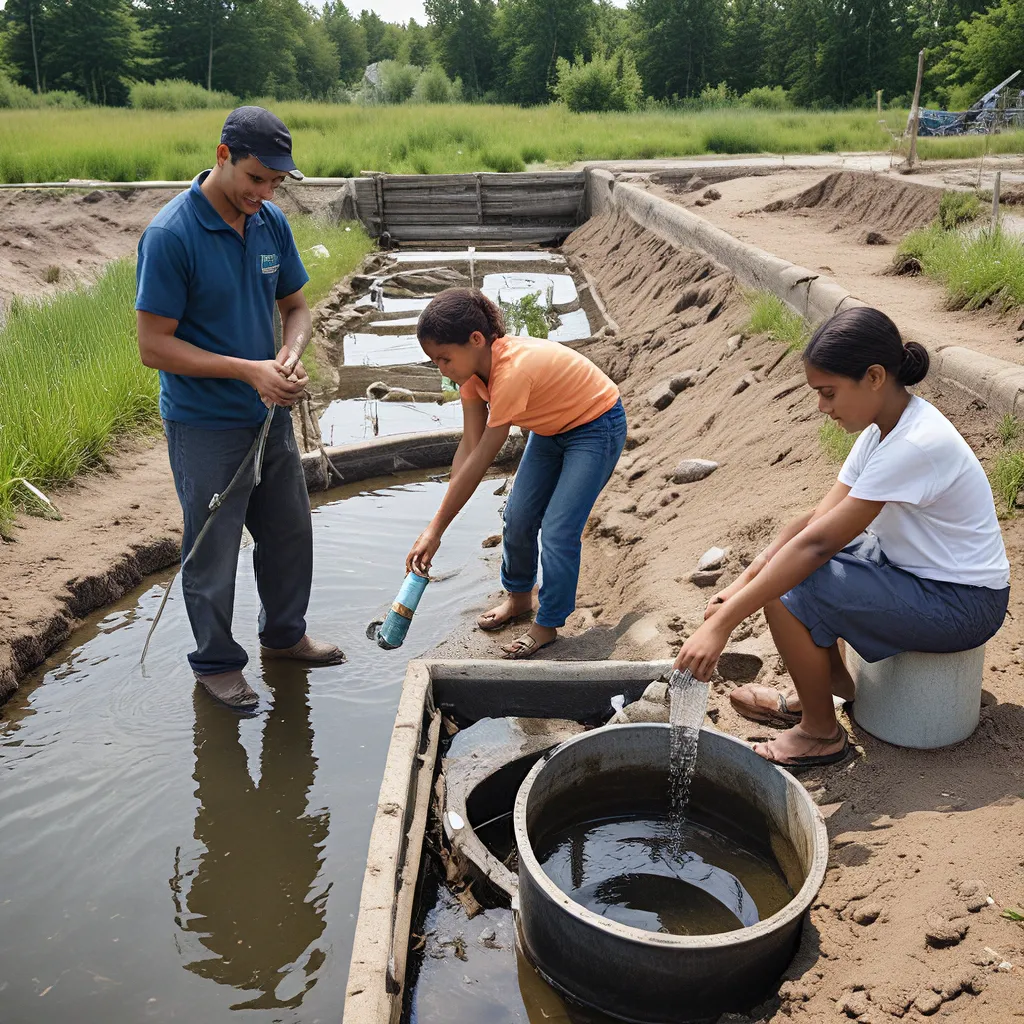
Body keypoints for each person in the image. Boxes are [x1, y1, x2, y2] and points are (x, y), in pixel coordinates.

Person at [673, 307, 1009, 767]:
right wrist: (739, 585)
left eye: (829, 393)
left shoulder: (913, 443)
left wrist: (723, 623)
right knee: (793, 565)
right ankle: (833, 685)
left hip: (962, 602)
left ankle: (819, 733)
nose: (822, 407)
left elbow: (817, 547)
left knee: (798, 579)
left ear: (873, 377)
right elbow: (814, 521)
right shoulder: (883, 431)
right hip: (916, 570)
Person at [136, 106, 344, 711]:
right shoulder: (172, 234)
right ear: (223, 155)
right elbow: (154, 346)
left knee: (288, 534)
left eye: (276, 182)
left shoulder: (270, 223)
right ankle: (217, 664)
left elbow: (297, 308)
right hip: (204, 423)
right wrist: (247, 370)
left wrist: (287, 355)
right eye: (256, 178)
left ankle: (284, 637)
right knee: (213, 551)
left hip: (268, 413)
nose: (265, 192)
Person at [406, 288, 627, 659]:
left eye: (444, 358)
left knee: (558, 529)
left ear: (476, 340)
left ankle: (548, 624)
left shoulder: (510, 373)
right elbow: (469, 447)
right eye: (434, 361)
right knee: (518, 515)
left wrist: (436, 531)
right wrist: (441, 512)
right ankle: (520, 597)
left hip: (595, 424)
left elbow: (483, 459)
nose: (441, 369)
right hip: (549, 429)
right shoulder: (472, 377)